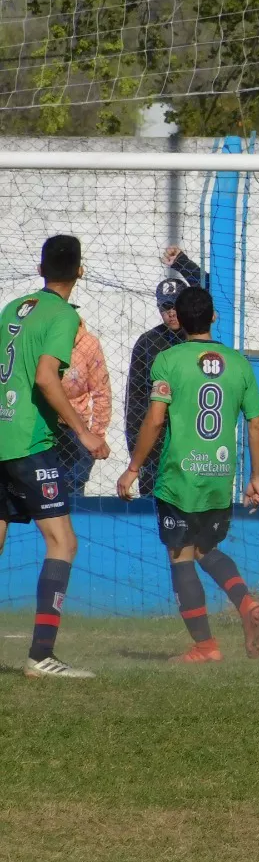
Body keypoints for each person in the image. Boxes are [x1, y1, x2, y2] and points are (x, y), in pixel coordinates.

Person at [116, 286, 259, 663]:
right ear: (214, 317)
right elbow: (257, 425)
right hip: (220, 477)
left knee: (181, 556)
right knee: (206, 549)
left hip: (179, 477)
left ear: (179, 321)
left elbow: (154, 419)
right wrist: (257, 476)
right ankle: (245, 601)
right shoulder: (240, 363)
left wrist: (133, 467)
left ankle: (205, 646)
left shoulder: (167, 360)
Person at [0, 235, 109, 678]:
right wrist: (83, 432)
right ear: (79, 271)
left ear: (41, 268)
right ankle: (41, 655)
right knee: (63, 542)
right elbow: (47, 378)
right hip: (28, 443)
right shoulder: (63, 315)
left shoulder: (14, 307)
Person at [125, 246, 208, 496]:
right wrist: (138, 452)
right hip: (157, 445)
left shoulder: (198, 338)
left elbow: (216, 291)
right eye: (164, 306)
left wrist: (182, 263)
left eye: (175, 306)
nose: (170, 312)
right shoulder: (148, 342)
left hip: (193, 442)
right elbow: (135, 401)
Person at [55, 319, 111, 495]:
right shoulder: (39, 338)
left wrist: (97, 435)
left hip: (74, 425)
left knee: (73, 487)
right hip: (40, 424)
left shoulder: (88, 344)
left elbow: (102, 392)